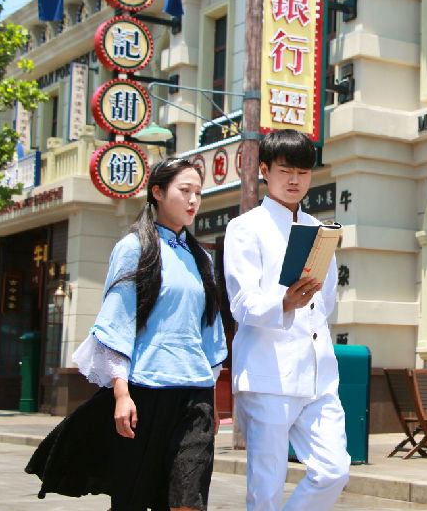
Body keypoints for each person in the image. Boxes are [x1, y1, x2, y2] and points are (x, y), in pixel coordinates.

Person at [26, 158, 228, 511]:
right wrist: (121, 394)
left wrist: (211, 403)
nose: (193, 200)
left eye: (198, 192)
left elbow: (210, 334)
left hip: (194, 395)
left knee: (189, 501)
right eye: (185, 191)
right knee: (133, 500)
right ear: (158, 192)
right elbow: (117, 323)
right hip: (144, 393)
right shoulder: (134, 248)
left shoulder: (202, 259)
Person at [223, 129, 350, 511]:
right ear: (264, 170)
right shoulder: (245, 227)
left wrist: (301, 301)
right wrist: (284, 302)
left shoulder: (320, 230)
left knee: (333, 470)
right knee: (266, 486)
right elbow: (241, 302)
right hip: (269, 375)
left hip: (317, 373)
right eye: (285, 171)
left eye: (303, 172)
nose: (295, 180)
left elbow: (326, 301)